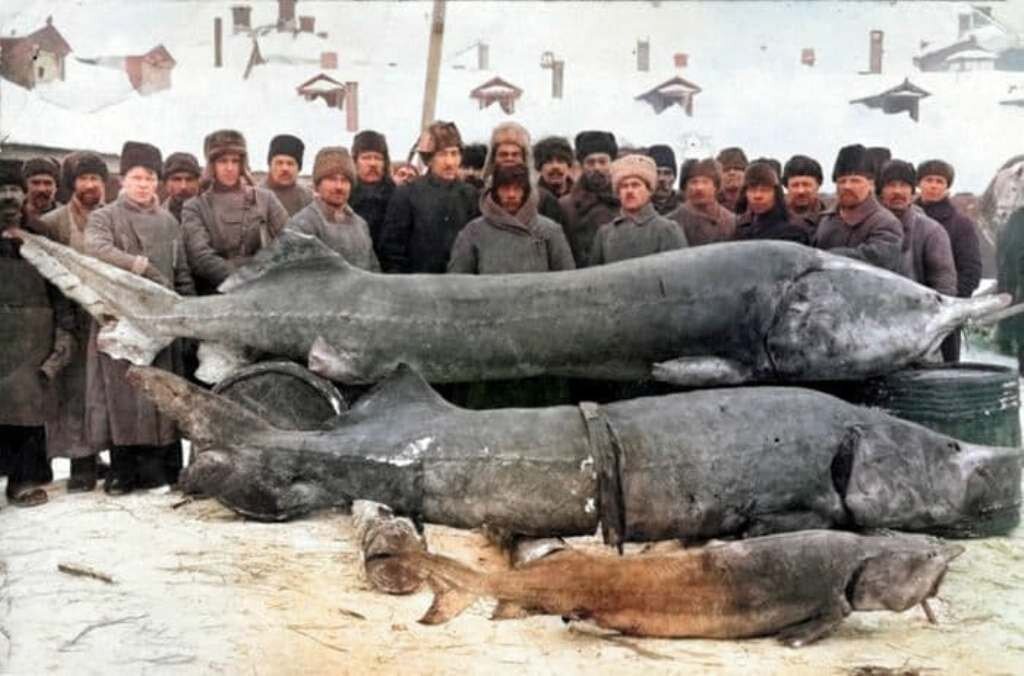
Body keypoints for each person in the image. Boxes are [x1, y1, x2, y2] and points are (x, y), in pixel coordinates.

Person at [85, 142, 195, 494]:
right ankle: (122, 470)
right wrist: (141, 266)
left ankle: (160, 468)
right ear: (122, 180)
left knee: (159, 395)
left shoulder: (168, 222)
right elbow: (95, 249)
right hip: (120, 320)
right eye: (136, 177)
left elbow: (181, 271)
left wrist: (188, 308)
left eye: (149, 178)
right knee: (124, 396)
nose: (143, 184)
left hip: (160, 323)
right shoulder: (105, 217)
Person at [0, 159, 75, 507]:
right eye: (1, 190)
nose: (8, 197)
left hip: (34, 334)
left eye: (13, 189)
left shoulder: (41, 233)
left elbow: (60, 287)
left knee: (28, 408)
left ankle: (24, 479)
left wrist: (64, 330)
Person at [182, 129, 289, 294]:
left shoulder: (265, 199)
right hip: (216, 294)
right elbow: (200, 257)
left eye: (235, 161)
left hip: (264, 289)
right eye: (223, 161)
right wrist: (241, 280)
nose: (230, 167)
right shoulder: (195, 206)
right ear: (212, 165)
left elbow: (290, 241)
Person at [379, 121, 480, 273]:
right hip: (418, 288)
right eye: (442, 154)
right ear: (429, 159)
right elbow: (392, 251)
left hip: (461, 286)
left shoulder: (470, 195)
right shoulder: (407, 194)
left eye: (454, 153)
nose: (449, 162)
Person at [448, 163, 574, 274]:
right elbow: (459, 282)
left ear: (525, 191)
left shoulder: (549, 230)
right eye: (505, 189)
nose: (511, 195)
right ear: (495, 192)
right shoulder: (473, 232)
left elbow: (567, 278)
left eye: (517, 189)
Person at [916, 159, 982, 362]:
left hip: (944, 312)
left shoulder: (961, 224)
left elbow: (971, 270)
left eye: (940, 181)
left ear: (947, 187)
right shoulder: (903, 218)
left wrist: (950, 305)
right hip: (909, 308)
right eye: (928, 180)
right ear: (919, 184)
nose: (934, 185)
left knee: (944, 372)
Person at [286, 147, 379, 271]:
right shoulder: (302, 225)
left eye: (345, 180)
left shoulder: (361, 225)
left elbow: (374, 270)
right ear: (318, 184)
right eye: (331, 179)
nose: (339, 186)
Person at [814, 144, 903, 272]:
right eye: (842, 181)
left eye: (855, 181)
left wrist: (824, 257)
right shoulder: (826, 219)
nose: (847, 186)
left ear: (871, 183)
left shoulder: (885, 222)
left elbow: (877, 260)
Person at [877, 160, 957, 297]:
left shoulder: (931, 232)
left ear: (912, 191)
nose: (898, 191)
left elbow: (944, 286)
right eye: (891, 185)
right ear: (880, 191)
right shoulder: (866, 226)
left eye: (904, 185)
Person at [589, 154, 687, 265]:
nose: (629, 191)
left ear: (649, 190)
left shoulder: (667, 230)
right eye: (624, 186)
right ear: (618, 193)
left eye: (635, 185)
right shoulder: (605, 234)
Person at [481, 122, 564, 225]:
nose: (509, 159)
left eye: (515, 155)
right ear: (494, 159)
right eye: (503, 154)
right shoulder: (481, 198)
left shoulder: (544, 200)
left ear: (524, 158)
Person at [559, 130, 620, 267]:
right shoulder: (566, 206)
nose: (597, 167)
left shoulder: (625, 200)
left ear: (612, 163)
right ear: (582, 166)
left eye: (602, 161)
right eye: (590, 162)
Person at [734, 162, 810, 244]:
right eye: (752, 190)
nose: (758, 196)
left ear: (776, 194)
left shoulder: (794, 230)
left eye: (764, 190)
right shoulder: (741, 229)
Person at [668, 158, 736, 246]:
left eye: (705, 182)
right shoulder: (671, 223)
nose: (699, 188)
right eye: (693, 182)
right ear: (685, 187)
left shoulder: (731, 221)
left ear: (715, 186)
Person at [349, 130, 395, 256]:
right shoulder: (344, 196)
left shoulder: (396, 196)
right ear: (355, 161)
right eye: (366, 157)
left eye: (378, 158)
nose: (373, 163)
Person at [262, 133, 314, 216]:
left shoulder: (308, 199)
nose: (285, 168)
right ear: (270, 165)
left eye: (290, 164)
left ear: (299, 168)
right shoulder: (255, 196)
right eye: (279, 163)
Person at [783, 154, 828, 236]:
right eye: (795, 185)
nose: (801, 191)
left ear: (818, 185)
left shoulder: (830, 222)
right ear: (786, 187)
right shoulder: (774, 221)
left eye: (806, 184)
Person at [162, 152, 201, 223]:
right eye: (177, 179)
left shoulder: (210, 215)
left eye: (189, 179)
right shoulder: (155, 218)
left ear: (198, 182)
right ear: (166, 183)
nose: (183, 186)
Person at [648, 145, 680, 215]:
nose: (661, 179)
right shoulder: (636, 209)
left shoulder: (686, 212)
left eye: (667, 173)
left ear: (674, 177)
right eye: (657, 173)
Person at [716, 147, 748, 213]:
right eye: (726, 169)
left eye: (737, 168)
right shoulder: (707, 206)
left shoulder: (756, 205)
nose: (732, 172)